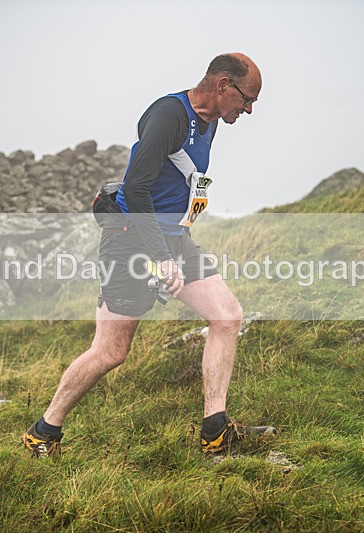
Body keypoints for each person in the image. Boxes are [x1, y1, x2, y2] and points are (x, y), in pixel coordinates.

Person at [22, 52, 274, 458]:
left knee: (227, 316)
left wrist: (178, 235)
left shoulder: (211, 122)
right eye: (247, 100)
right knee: (111, 352)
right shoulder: (168, 116)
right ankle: (43, 432)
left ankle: (215, 432)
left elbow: (180, 180)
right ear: (223, 85)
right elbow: (136, 189)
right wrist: (161, 257)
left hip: (174, 238)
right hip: (131, 240)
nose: (247, 110)